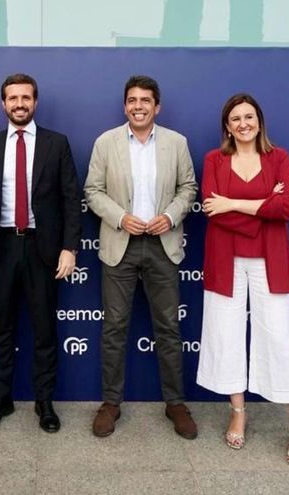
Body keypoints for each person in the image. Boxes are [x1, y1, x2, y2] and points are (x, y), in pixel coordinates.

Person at [196, 93, 289, 466]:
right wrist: (263, 205)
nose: (243, 123)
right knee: (225, 335)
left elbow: (287, 207)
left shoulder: (280, 158)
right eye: (235, 119)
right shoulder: (215, 159)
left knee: (278, 336)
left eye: (249, 116)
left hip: (269, 261)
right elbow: (214, 212)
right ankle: (238, 413)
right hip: (225, 261)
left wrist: (234, 202)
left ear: (259, 121)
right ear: (227, 127)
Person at [84, 75, 198, 439]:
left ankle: (175, 403)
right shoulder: (106, 142)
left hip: (164, 243)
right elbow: (92, 190)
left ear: (157, 106)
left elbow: (189, 188)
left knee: (168, 328)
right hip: (121, 244)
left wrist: (170, 216)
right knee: (115, 328)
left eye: (145, 100)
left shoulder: (177, 143)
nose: (138, 105)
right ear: (125, 106)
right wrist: (120, 217)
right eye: (132, 100)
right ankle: (111, 403)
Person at [0, 73, 81, 433]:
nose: (20, 104)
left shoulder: (56, 143)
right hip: (0, 247)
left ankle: (44, 402)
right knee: (1, 328)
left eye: (26, 98)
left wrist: (69, 248)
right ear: (3, 103)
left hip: (42, 249)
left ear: (35, 102)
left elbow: (70, 201)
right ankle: (0, 399)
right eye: (13, 98)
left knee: (45, 329)